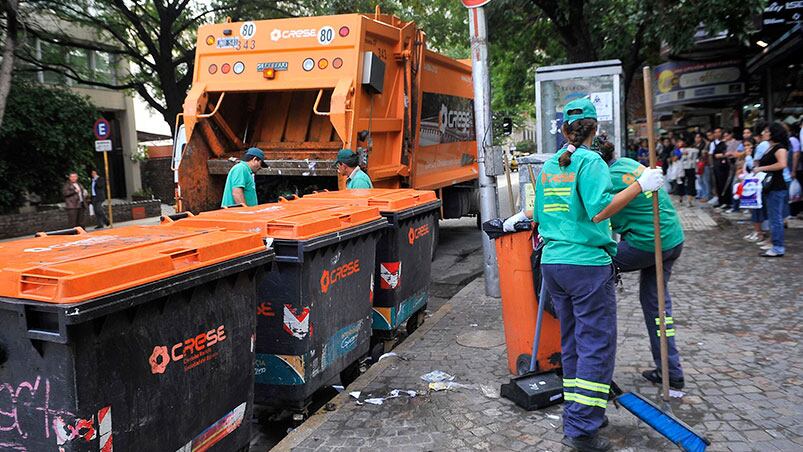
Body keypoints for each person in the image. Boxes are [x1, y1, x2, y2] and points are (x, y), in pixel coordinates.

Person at [504, 98, 664, 452]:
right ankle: (582, 429)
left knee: (574, 343)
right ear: (595, 128)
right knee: (596, 345)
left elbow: (540, 216)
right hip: (586, 267)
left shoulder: (549, 167)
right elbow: (599, 211)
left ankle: (583, 412)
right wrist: (642, 185)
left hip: (554, 264)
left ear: (563, 130)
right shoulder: (591, 162)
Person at [596, 139, 686, 391]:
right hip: (670, 239)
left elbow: (590, 213)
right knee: (657, 308)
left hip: (648, 243)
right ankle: (671, 371)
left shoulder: (608, 180)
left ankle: (595, 366)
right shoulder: (627, 164)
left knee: (591, 265)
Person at [754, 123, 789, 257]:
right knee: (772, 216)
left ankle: (778, 247)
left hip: (776, 186)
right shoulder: (771, 147)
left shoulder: (780, 148)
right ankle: (775, 244)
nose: (764, 133)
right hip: (769, 186)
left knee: (776, 218)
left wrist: (762, 168)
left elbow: (782, 164)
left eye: (767, 131)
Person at [709, 127, 730, 208]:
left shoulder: (725, 142)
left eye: (719, 132)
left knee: (725, 183)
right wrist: (712, 165)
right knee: (718, 183)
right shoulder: (713, 143)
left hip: (726, 165)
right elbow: (711, 155)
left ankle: (727, 201)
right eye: (715, 132)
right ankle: (720, 201)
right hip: (717, 166)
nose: (717, 134)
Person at [678, 137, 699, 205]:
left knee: (681, 183)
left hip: (683, 168)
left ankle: (681, 198)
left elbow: (676, 155)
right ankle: (689, 201)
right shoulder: (696, 150)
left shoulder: (681, 150)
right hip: (691, 168)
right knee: (691, 184)